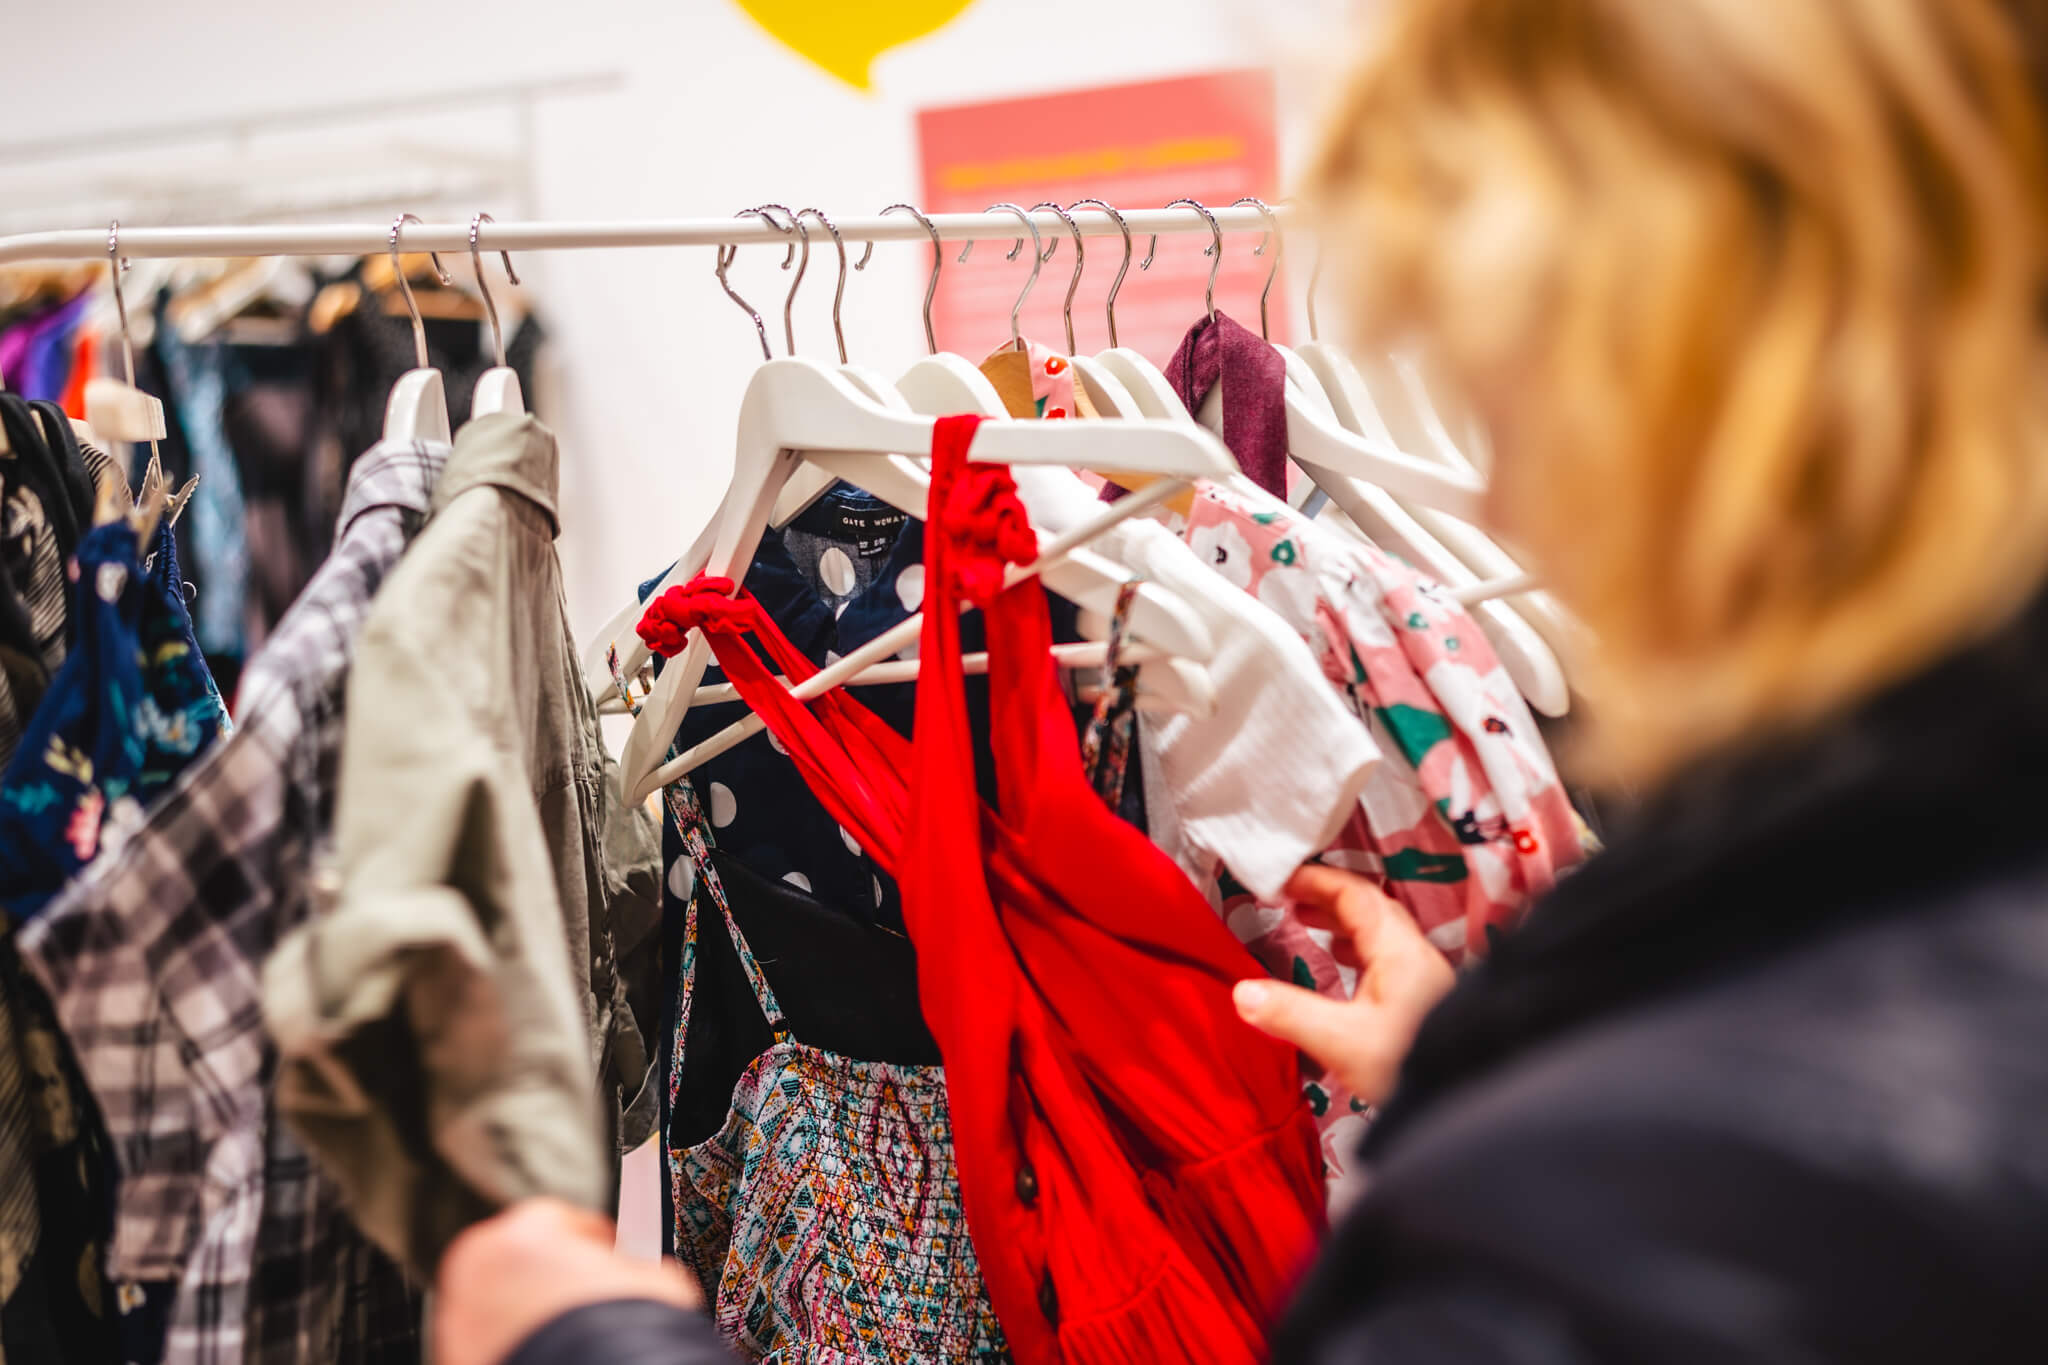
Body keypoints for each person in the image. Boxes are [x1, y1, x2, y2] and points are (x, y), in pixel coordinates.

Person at [434, 0, 2048, 1360]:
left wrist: (583, 1341)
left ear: (1718, 384)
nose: (1497, 493)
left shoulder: (1613, 1215)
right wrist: (1496, 1060)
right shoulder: (1905, 903)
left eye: (1508, 394)